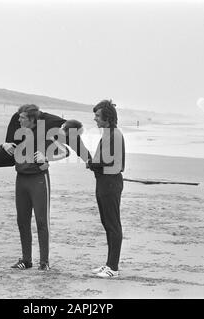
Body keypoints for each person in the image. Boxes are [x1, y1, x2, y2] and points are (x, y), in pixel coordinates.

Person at [11, 104, 71, 271]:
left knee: (41, 221)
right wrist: (7, 146)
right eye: (19, 117)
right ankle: (26, 260)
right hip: (21, 179)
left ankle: (44, 262)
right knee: (22, 221)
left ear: (31, 119)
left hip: (39, 180)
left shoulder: (45, 132)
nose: (19, 120)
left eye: (22, 117)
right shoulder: (20, 132)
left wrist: (47, 157)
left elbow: (65, 152)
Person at [0, 109, 89, 184]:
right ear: (63, 127)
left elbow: (81, 150)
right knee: (10, 153)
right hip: (19, 120)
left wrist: (91, 162)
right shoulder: (50, 121)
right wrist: (7, 143)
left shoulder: (72, 135)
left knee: (19, 157)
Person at [87, 100, 125, 278]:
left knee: (113, 224)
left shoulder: (114, 134)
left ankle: (113, 268)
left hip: (110, 182)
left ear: (107, 118)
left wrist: (90, 163)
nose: (95, 119)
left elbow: (107, 160)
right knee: (107, 223)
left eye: (97, 116)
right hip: (103, 181)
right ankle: (109, 264)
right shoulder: (108, 133)